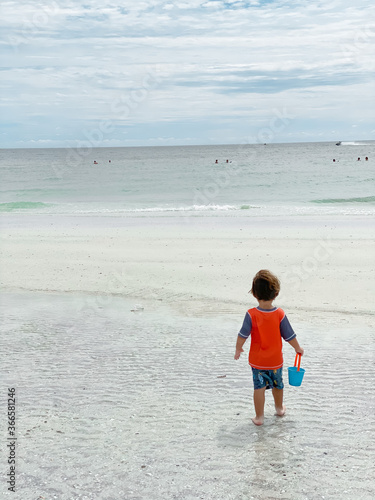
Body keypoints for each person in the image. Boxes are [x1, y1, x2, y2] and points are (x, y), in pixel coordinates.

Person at [234, 270, 304, 426]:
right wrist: (298, 348)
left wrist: (238, 349)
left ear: (254, 293)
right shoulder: (279, 314)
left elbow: (242, 335)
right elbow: (289, 335)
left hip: (258, 362)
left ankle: (259, 417)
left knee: (259, 387)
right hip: (275, 361)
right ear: (276, 293)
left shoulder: (251, 314)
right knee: (278, 385)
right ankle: (279, 409)